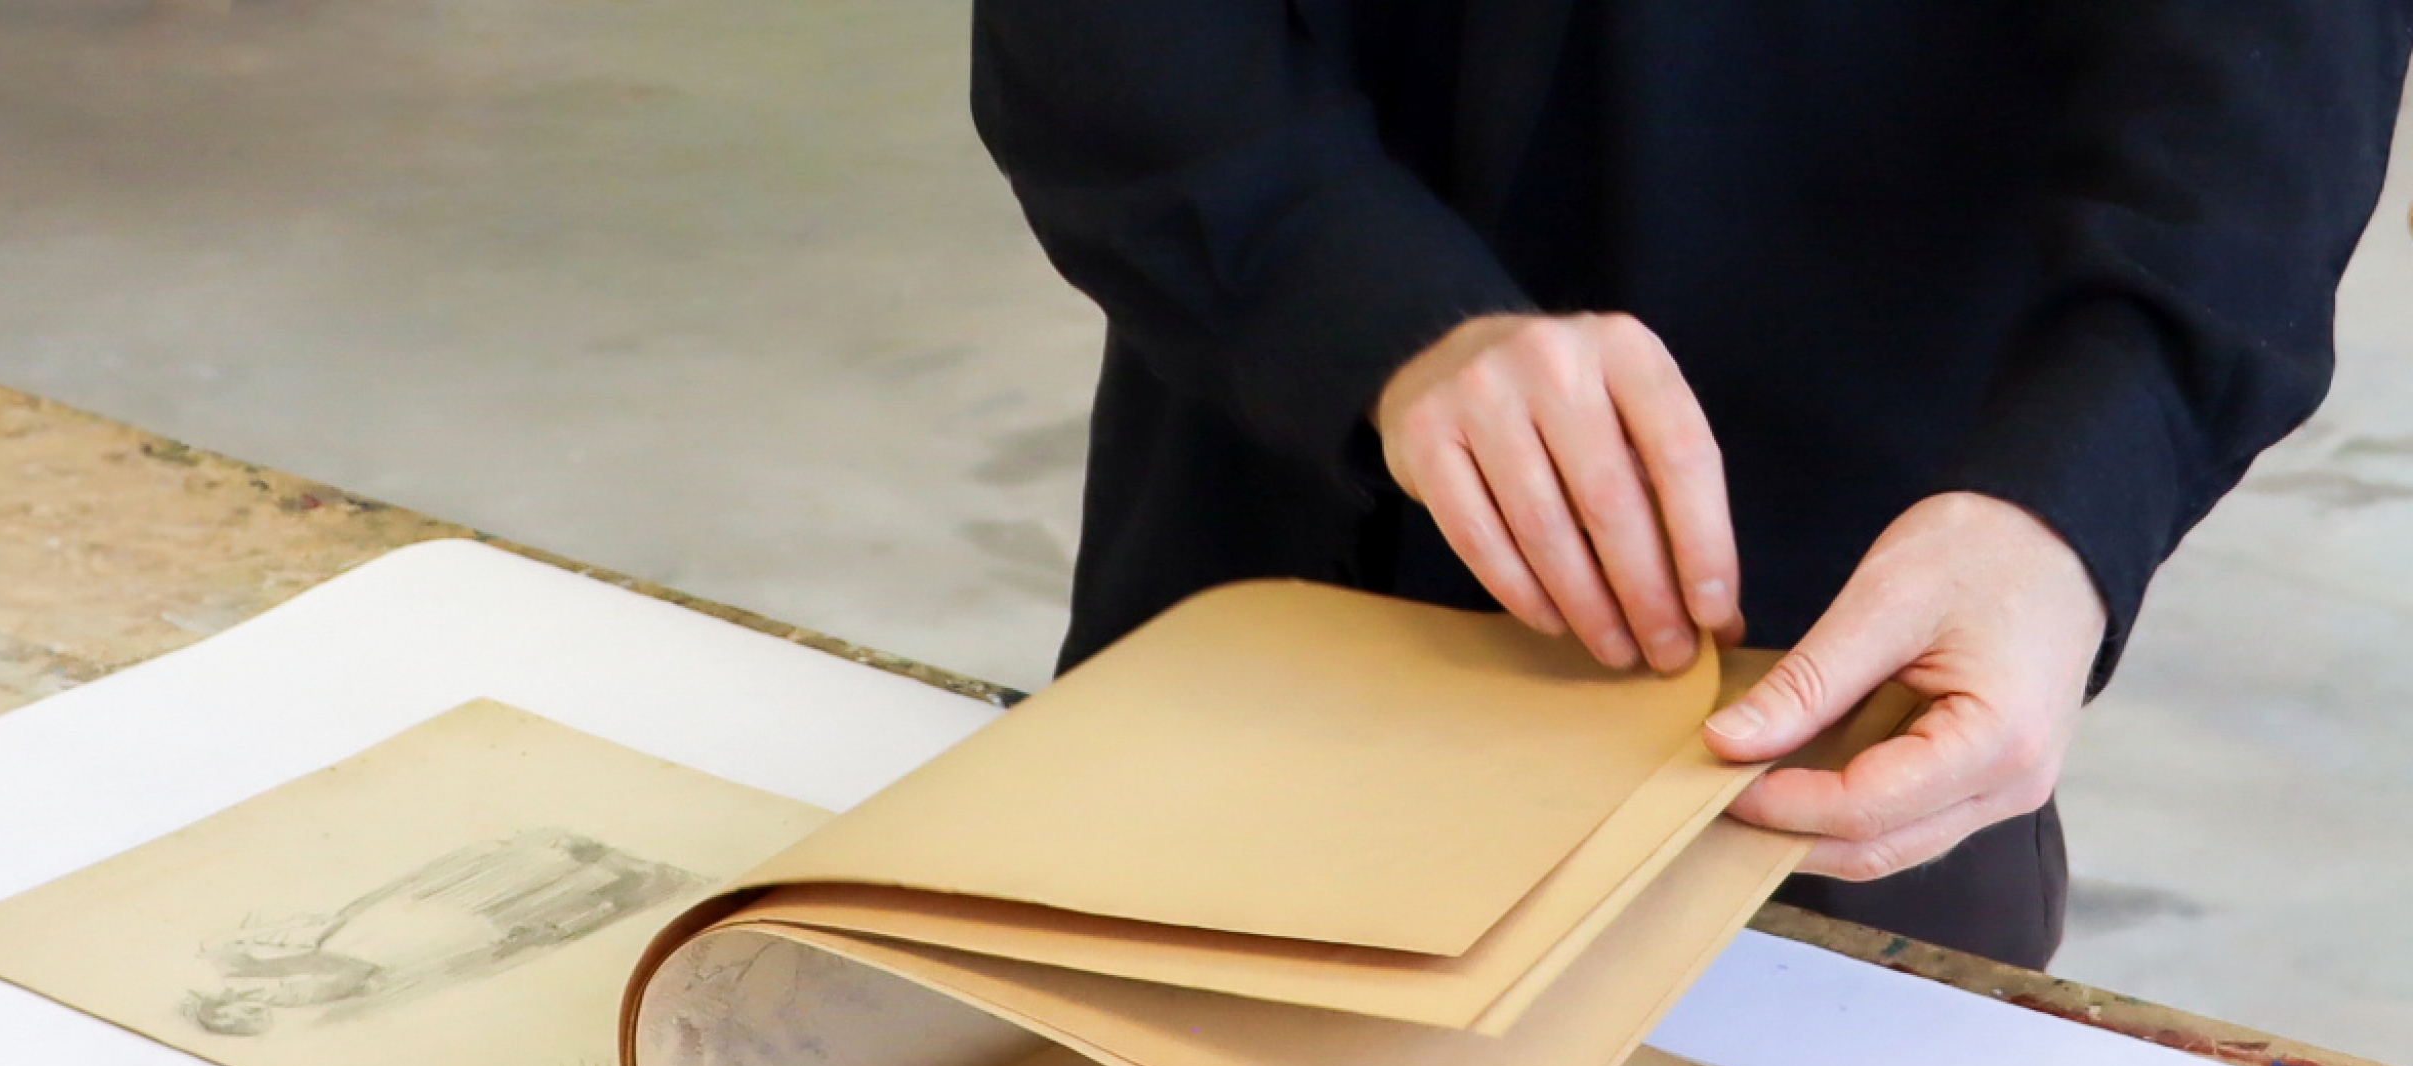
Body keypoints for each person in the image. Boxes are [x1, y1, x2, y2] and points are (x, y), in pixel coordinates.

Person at [970, 0, 2412, 968]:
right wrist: (1353, 297)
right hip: (1266, 564)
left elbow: (2275, 71)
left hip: (1848, 675)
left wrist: (2077, 498)